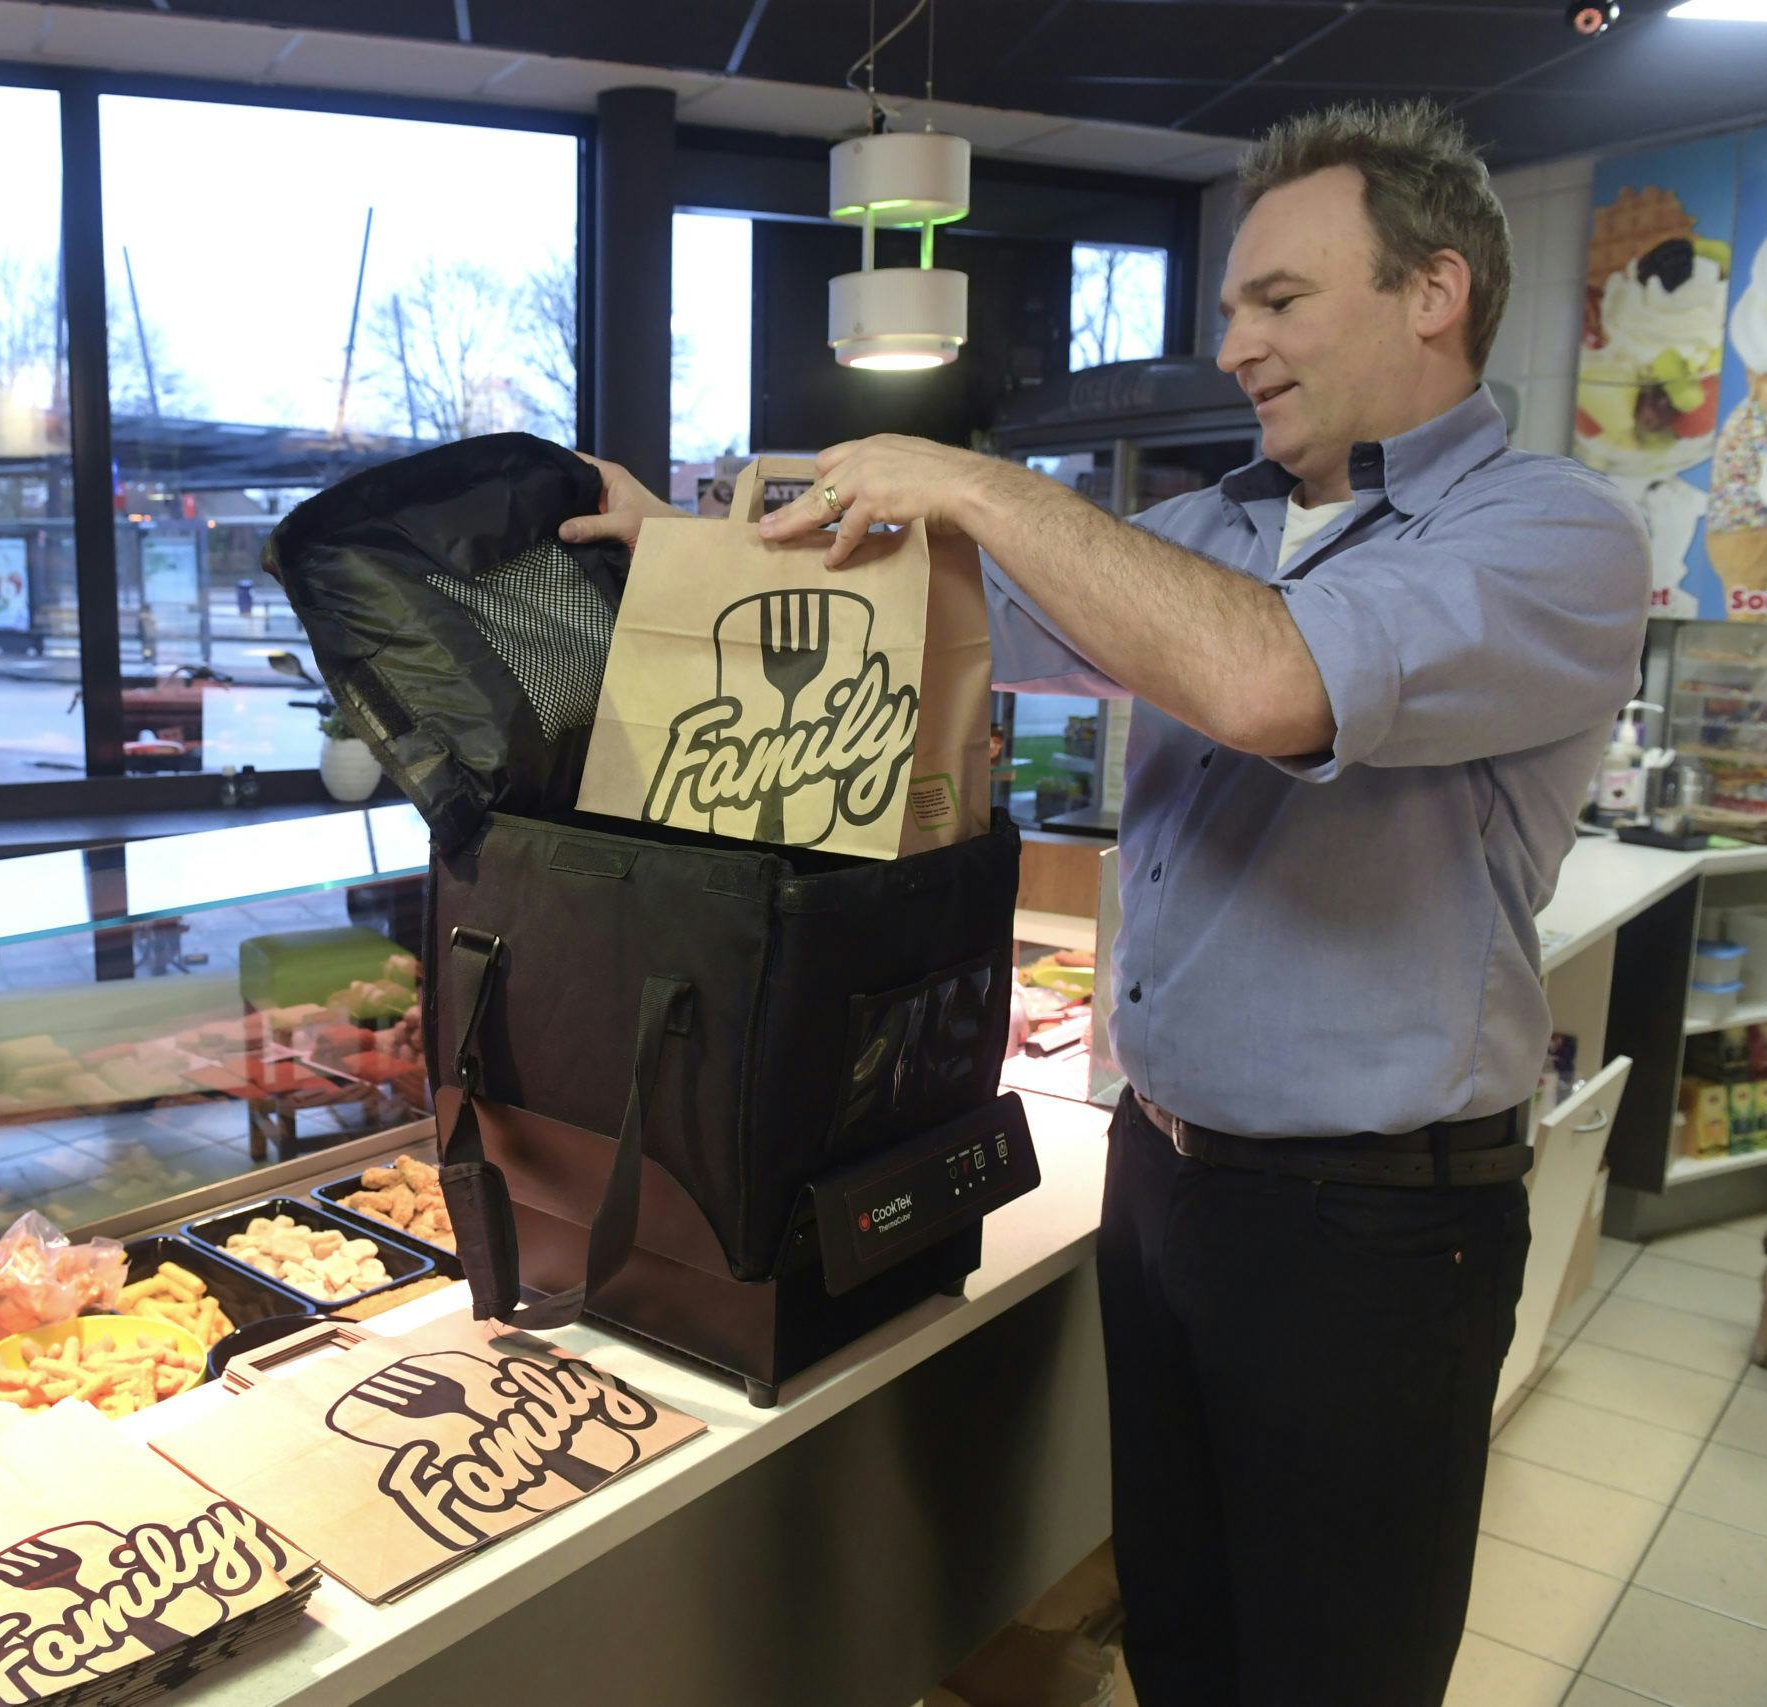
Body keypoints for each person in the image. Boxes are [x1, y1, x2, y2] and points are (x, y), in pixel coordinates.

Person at [562, 99, 1650, 1707]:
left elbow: (1269, 678)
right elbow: (956, 606)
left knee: (1332, 1669)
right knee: (1185, 1642)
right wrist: (686, 546)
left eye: (1278, 299)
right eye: (1228, 309)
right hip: (1164, 1183)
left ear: (1435, 292)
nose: (1237, 345)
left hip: (1372, 1228)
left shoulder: (1546, 533)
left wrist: (974, 479)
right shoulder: (1215, 523)